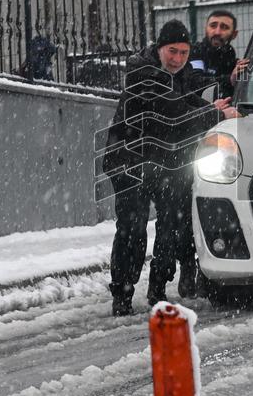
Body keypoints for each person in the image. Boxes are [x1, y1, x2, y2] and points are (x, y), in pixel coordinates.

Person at [102, 20, 240, 316]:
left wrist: (212, 108)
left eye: (183, 52)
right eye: (172, 51)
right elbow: (173, 111)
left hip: (165, 161)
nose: (177, 59)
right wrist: (214, 114)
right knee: (132, 229)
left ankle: (157, 288)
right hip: (130, 162)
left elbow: (185, 100)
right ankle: (123, 294)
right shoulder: (143, 72)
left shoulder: (178, 73)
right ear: (160, 48)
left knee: (173, 224)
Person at [189, 10, 251, 99]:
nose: (217, 32)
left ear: (234, 34)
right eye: (213, 26)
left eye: (224, 27)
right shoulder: (196, 51)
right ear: (206, 29)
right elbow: (195, 83)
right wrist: (229, 79)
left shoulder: (230, 56)